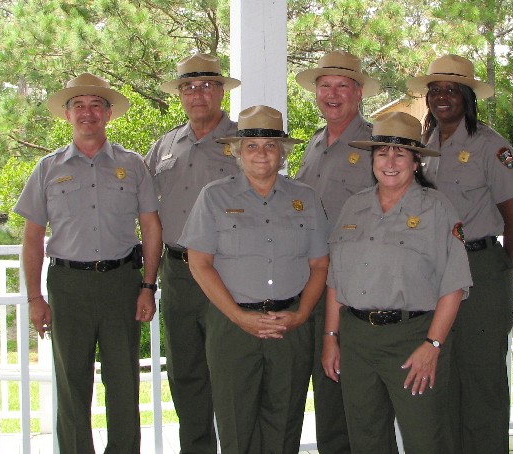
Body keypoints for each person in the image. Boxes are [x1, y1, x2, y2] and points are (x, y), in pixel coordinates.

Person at [14, 73, 162, 453]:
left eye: (96, 105)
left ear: (109, 114)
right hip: (68, 286)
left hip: (122, 284)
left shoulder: (133, 165)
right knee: (72, 381)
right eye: (78, 105)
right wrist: (34, 297)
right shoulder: (47, 168)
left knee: (124, 380)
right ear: (67, 115)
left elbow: (150, 226)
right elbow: (32, 238)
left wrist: (148, 285)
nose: (87, 113)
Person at [178, 105, 331, 454]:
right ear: (237, 152)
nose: (261, 153)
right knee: (236, 425)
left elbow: (320, 264)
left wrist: (302, 315)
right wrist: (238, 316)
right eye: (251, 145)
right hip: (232, 327)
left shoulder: (304, 198)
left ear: (282, 153)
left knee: (285, 425)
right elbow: (199, 263)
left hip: (290, 326)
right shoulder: (214, 196)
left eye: (270, 145)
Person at [322, 111, 473, 453]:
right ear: (371, 159)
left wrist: (432, 346)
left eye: (400, 154)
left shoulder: (437, 209)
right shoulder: (353, 207)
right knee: (366, 438)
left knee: (425, 438)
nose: (390, 161)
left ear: (416, 161)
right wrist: (331, 338)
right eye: (381, 153)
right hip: (357, 340)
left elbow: (454, 285)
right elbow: (336, 280)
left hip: (412, 338)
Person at [406, 54, 513, 454]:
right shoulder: (422, 146)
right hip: (430, 272)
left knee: (481, 381)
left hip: (479, 267)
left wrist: (500, 275)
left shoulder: (491, 147)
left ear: (468, 97)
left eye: (452, 90)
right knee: (438, 380)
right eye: (436, 89)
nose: (443, 96)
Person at [145, 53, 241, 453]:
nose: (197, 94)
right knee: (185, 373)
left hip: (228, 272)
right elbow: (145, 211)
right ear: (180, 95)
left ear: (221, 91)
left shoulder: (243, 141)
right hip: (178, 273)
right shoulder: (165, 146)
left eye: (205, 85)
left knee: (231, 373)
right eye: (188, 87)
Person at [294, 50, 380, 453]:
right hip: (313, 283)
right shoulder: (314, 144)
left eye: (342, 86)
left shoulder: (376, 145)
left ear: (359, 93)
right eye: (325, 86)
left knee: (355, 398)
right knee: (326, 390)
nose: (332, 94)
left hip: (354, 289)